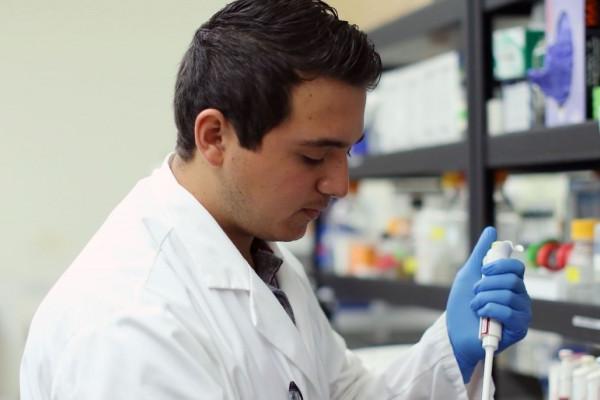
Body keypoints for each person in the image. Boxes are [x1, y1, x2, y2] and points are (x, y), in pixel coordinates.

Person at [20, 0, 531, 399]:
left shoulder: (263, 257)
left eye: (347, 153)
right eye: (313, 156)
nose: (338, 184)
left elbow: (344, 395)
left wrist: (452, 347)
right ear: (215, 136)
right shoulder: (132, 325)